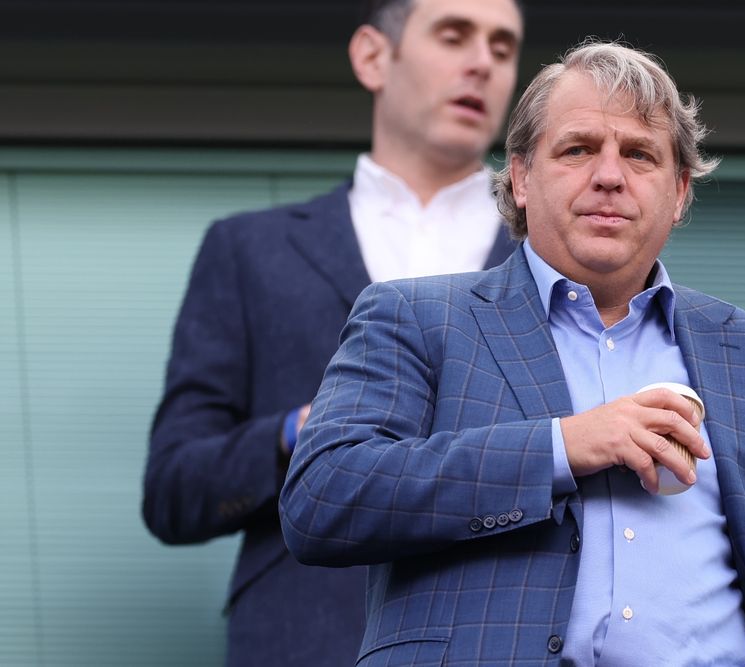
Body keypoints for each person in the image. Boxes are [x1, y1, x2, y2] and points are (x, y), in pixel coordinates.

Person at [280, 41, 745, 666]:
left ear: (681, 191)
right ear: (522, 177)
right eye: (578, 149)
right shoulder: (416, 318)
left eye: (640, 155)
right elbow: (324, 498)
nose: (610, 175)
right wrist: (563, 446)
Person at [141, 0, 523, 664]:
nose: (481, 63)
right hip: (305, 634)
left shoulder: (554, 264)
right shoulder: (249, 250)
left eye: (502, 45)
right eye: (454, 35)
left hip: (509, 633)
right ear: (374, 56)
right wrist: (301, 431)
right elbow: (174, 488)